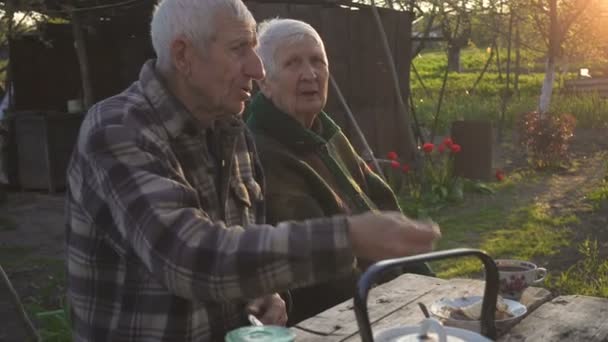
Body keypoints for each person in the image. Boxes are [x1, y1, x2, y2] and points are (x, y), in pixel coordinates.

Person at [65, 1, 441, 341]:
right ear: (183, 55)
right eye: (238, 49)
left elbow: (243, 242)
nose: (258, 67)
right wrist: (350, 237)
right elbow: (190, 257)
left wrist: (265, 292)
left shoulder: (233, 131)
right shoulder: (118, 130)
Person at [246, 18, 434, 324]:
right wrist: (404, 304)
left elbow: (381, 204)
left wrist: (430, 283)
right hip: (342, 317)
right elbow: (325, 275)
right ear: (263, 81)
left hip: (393, 294)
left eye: (318, 60)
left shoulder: (327, 134)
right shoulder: (263, 152)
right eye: (293, 63)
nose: (310, 74)